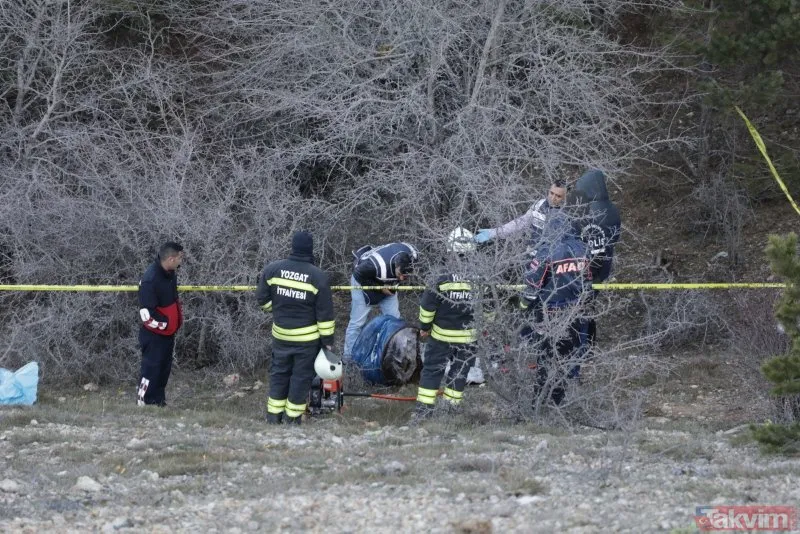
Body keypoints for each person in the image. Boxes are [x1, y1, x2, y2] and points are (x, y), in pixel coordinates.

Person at [256, 231, 335, 425]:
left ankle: (273, 418)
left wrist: (278, 312)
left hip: (281, 336)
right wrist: (328, 343)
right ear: (310, 250)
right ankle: (292, 420)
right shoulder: (317, 276)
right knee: (300, 378)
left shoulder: (273, 269)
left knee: (279, 374)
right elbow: (325, 316)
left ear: (292, 247)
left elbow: (262, 300)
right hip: (307, 341)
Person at [519, 207, 591, 407]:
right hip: (575, 313)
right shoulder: (582, 249)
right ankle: (557, 402)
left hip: (549, 313)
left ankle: (540, 402)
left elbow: (533, 284)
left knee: (546, 358)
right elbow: (588, 283)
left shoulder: (546, 250)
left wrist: (523, 305)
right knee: (566, 358)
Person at [412, 228, 478, 422]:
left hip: (440, 336)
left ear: (449, 249)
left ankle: (423, 411)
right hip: (468, 338)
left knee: (432, 371)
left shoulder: (440, 276)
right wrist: (485, 326)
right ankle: (449, 412)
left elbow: (427, 307)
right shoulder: (481, 277)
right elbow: (489, 307)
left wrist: (424, 327)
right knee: (459, 373)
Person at [342, 242, 419, 360]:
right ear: (396, 265)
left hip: (386, 283)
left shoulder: (413, 256)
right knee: (357, 323)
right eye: (401, 274)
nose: (403, 278)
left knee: (395, 320)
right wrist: (380, 288)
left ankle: (397, 355)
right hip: (363, 281)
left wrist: (392, 287)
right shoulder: (375, 265)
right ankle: (349, 359)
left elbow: (401, 276)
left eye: (406, 276)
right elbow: (358, 274)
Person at [137, 242, 185, 407]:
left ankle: (158, 402)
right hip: (153, 335)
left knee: (163, 370)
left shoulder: (171, 274)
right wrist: (166, 325)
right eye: (180, 257)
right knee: (151, 369)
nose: (181, 260)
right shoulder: (150, 279)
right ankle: (144, 402)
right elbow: (146, 314)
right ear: (171, 258)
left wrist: (173, 325)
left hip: (168, 335)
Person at [474, 179, 567, 246]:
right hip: (531, 252)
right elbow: (520, 223)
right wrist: (493, 233)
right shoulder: (540, 204)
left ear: (564, 197)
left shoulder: (565, 215)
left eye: (558, 196)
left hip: (548, 258)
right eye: (551, 193)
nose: (553, 198)